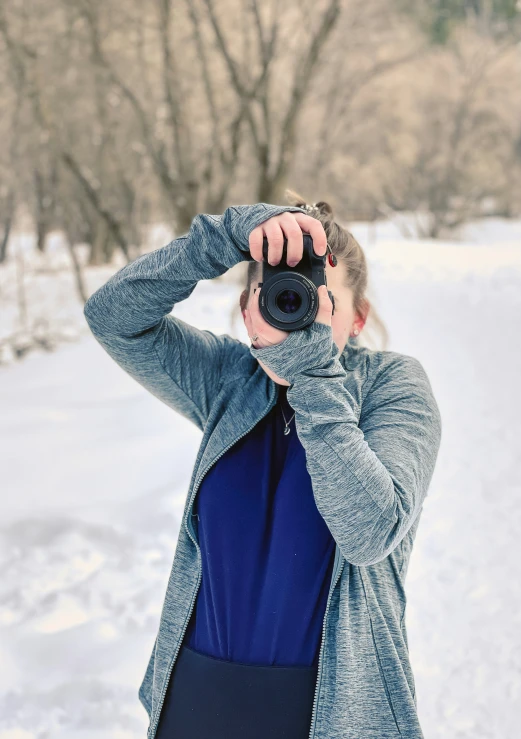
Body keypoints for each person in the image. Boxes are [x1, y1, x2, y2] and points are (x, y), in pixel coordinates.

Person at [83, 193, 442, 739]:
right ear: (249, 308)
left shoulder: (392, 386)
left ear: (358, 319)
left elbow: (370, 532)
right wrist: (219, 242)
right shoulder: (230, 378)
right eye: (275, 294)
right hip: (197, 702)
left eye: (318, 304)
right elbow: (113, 318)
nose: (295, 318)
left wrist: (313, 375)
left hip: (332, 713)